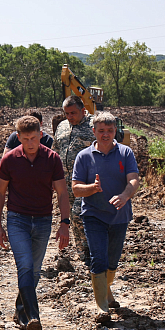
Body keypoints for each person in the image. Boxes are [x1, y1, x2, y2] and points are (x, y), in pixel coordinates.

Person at [0, 116, 71, 330]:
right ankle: (33, 317)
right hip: (18, 219)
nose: (30, 143)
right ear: (18, 138)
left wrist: (64, 223)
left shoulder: (52, 158)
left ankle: (21, 310)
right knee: (25, 265)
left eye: (34, 138)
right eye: (25, 138)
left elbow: (62, 193)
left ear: (41, 135)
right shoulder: (9, 160)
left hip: (43, 220)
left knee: (35, 271)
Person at [72, 113, 140, 313]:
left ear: (115, 132)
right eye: (101, 131)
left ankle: (106, 291)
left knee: (112, 260)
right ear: (94, 131)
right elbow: (76, 189)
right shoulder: (84, 156)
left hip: (120, 215)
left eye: (110, 131)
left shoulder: (125, 153)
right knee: (98, 258)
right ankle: (102, 307)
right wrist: (92, 188)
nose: (106, 135)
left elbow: (134, 180)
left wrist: (125, 195)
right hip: (94, 214)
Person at [53, 96, 95, 261]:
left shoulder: (93, 126)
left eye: (73, 113)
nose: (69, 116)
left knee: (79, 215)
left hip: (86, 182)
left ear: (83, 111)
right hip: (65, 183)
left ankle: (91, 251)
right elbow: (55, 151)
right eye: (66, 113)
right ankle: (83, 253)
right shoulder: (62, 126)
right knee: (71, 216)